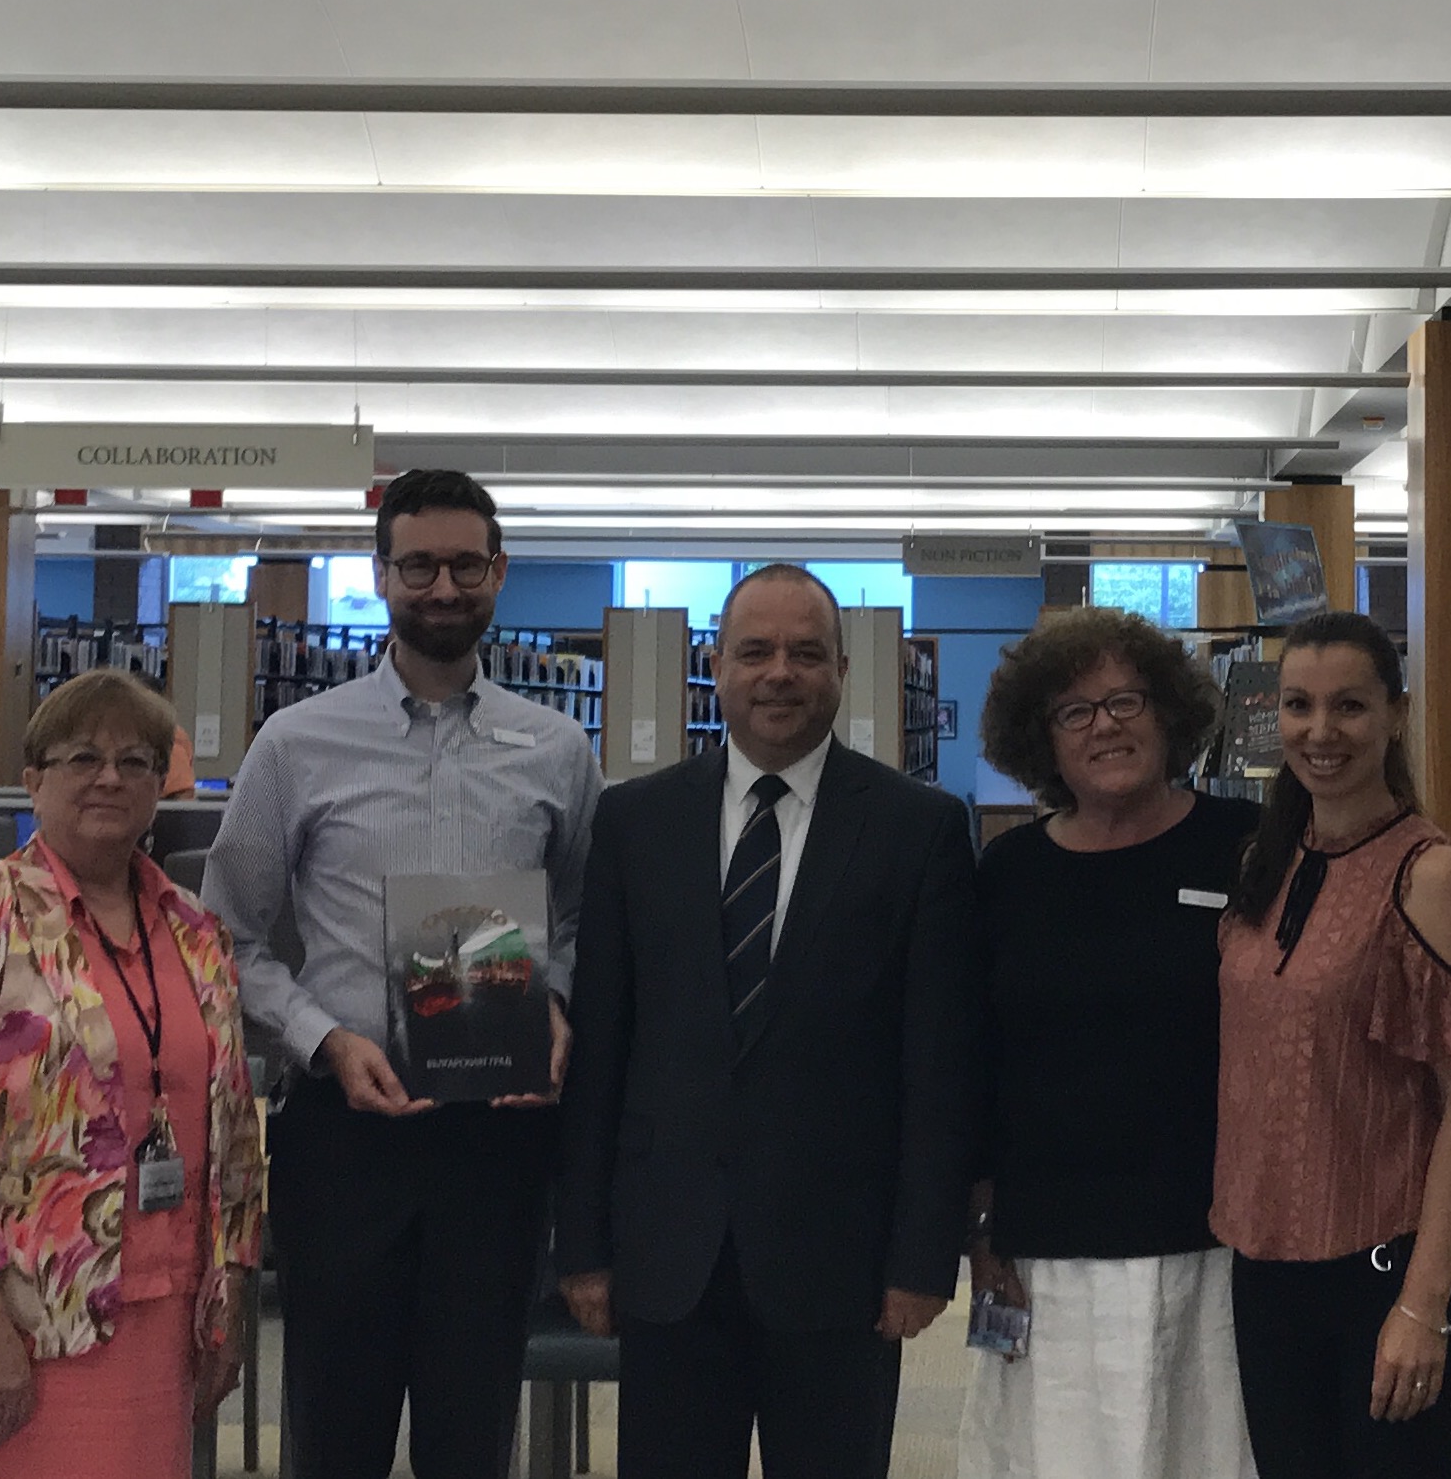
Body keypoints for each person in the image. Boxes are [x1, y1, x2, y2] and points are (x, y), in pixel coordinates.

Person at [202, 468, 603, 1479]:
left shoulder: (557, 749)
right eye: (418, 565)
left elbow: (585, 916)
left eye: (466, 564)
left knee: (473, 1433)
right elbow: (225, 938)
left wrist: (557, 1001)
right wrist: (323, 1039)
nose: (443, 586)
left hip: (499, 1134)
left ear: (499, 572)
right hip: (347, 1134)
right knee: (335, 1432)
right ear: (381, 574)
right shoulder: (297, 743)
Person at [556, 562, 981, 1479]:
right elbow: (602, 1049)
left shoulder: (919, 830)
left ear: (841, 671)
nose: (779, 673)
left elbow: (938, 1065)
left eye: (805, 653)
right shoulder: (634, 823)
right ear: (716, 666)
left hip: (842, 1264)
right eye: (754, 652)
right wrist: (583, 1245)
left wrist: (922, 1258)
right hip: (668, 1256)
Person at [0, 669, 266, 1479]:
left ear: (160, 787)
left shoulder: (196, 932)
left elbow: (232, 1127)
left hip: (155, 1320)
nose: (110, 777)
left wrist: (228, 1301)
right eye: (83, 757)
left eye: (135, 761)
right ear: (33, 780)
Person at [1213, 612, 1451, 1479]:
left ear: (1396, 714)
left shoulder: (1430, 874)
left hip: (1385, 1267)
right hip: (1266, 1269)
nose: (1321, 731)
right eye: (1299, 706)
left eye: (1348, 706)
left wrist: (1423, 1305)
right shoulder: (1266, 863)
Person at [958, 608, 1259, 1479]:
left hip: (1209, 1238)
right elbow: (976, 1062)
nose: (1106, 726)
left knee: (1202, 1451)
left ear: (1169, 714)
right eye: (1075, 711)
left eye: (1127, 701)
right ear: (1042, 740)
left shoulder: (1244, 847)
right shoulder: (1008, 874)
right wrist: (981, 1225)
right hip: (1047, 1242)